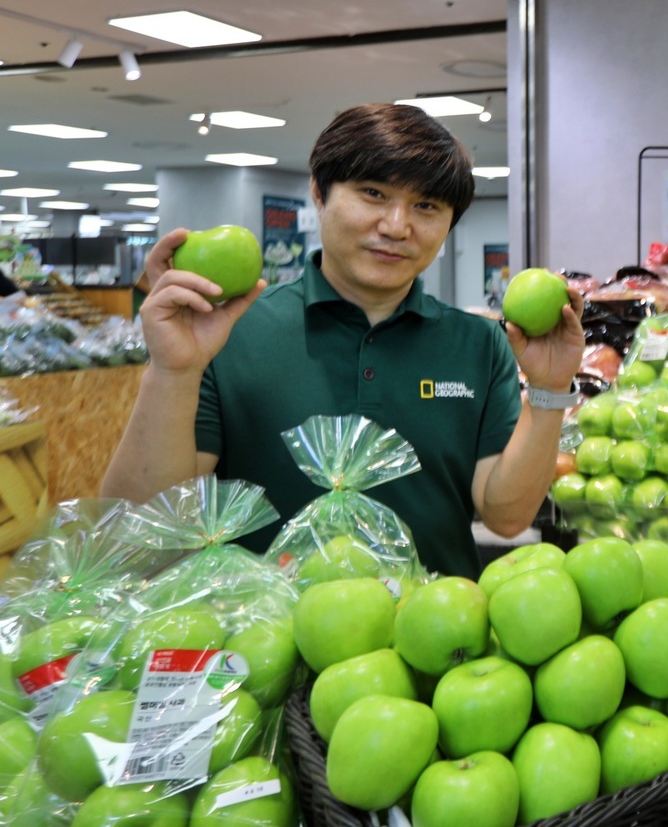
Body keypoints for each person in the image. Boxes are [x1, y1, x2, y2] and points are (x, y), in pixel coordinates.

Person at [101, 102, 585, 578]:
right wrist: (173, 371)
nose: (397, 226)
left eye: (426, 206)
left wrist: (549, 390)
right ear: (319, 192)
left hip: (436, 637)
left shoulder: (478, 343)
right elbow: (142, 532)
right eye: (373, 193)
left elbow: (507, 517)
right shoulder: (230, 331)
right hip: (261, 639)